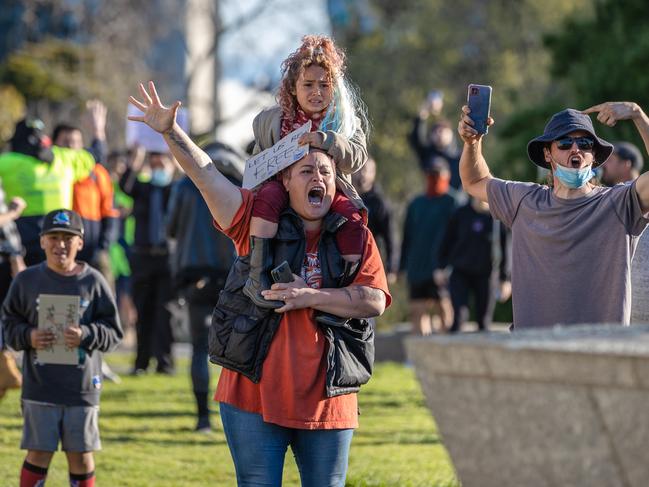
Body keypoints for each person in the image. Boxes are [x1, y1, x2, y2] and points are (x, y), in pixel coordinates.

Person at [128, 81, 389, 486]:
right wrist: (171, 132)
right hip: (252, 397)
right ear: (285, 182)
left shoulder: (354, 234)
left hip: (328, 403)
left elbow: (373, 300)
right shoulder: (253, 222)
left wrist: (311, 296)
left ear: (337, 182)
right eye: (305, 170)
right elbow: (207, 176)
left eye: (325, 171)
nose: (317, 176)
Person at [458, 101, 649, 328]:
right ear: (547, 154)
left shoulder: (619, 203)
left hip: (599, 355)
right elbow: (474, 181)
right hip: (533, 353)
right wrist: (472, 142)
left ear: (594, 156)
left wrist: (638, 115)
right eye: (565, 142)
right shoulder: (524, 200)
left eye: (585, 143)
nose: (575, 149)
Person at [245, 34, 369, 310]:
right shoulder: (273, 122)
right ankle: (257, 276)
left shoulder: (345, 121)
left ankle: (346, 288)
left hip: (329, 190)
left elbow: (357, 158)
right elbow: (257, 164)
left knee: (351, 216)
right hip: (283, 189)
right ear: (292, 89)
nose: (316, 92)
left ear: (334, 89)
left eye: (324, 85)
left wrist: (327, 141)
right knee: (266, 198)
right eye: (308, 85)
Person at [2, 208, 122, 487]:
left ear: (80, 242)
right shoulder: (26, 281)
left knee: (80, 455)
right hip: (40, 385)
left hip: (81, 387)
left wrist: (86, 333)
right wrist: (28, 336)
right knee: (39, 452)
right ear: (42, 241)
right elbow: (8, 325)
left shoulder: (93, 281)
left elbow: (114, 332)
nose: (61, 244)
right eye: (53, 237)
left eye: (69, 238)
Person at [166, 142, 240, 432]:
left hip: (194, 275)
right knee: (237, 349)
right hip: (233, 273)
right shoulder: (238, 181)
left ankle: (202, 419)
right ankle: (235, 417)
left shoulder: (185, 185)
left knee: (199, 347)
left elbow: (170, 229)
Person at [0, 118, 95, 266]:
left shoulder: (6, 162)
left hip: (22, 239)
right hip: (58, 236)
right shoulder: (64, 158)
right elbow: (93, 157)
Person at [119, 149, 176, 375]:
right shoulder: (143, 189)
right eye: (154, 164)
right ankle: (141, 363)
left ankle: (165, 362)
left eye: (162, 163)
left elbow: (193, 182)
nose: (158, 167)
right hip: (143, 258)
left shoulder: (175, 189)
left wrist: (176, 161)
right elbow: (125, 184)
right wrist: (137, 158)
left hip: (167, 259)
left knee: (165, 313)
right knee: (143, 311)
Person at [400, 158, 460, 334]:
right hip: (417, 267)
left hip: (442, 268)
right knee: (417, 311)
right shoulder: (416, 204)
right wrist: (402, 266)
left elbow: (458, 238)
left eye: (438, 174)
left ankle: (445, 353)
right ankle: (420, 356)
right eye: (431, 174)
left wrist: (451, 265)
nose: (434, 179)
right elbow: (407, 236)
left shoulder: (453, 202)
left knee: (445, 310)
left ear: (447, 176)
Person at [439, 197, 511, 332]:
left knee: (484, 322)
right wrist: (440, 266)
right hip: (460, 272)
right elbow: (446, 241)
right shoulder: (460, 213)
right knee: (459, 317)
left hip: (486, 274)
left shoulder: (496, 218)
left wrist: (505, 279)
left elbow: (506, 250)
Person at [352, 156, 397, 283]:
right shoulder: (344, 197)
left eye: (367, 170)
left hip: (369, 262)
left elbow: (390, 237)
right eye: (360, 169)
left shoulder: (379, 203)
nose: (363, 174)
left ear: (374, 173)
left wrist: (391, 267)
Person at [410, 92, 462, 189]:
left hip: (455, 202)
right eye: (436, 131)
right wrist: (422, 116)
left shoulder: (459, 156)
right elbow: (416, 139)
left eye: (443, 131)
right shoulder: (427, 154)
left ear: (451, 135)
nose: (439, 134)